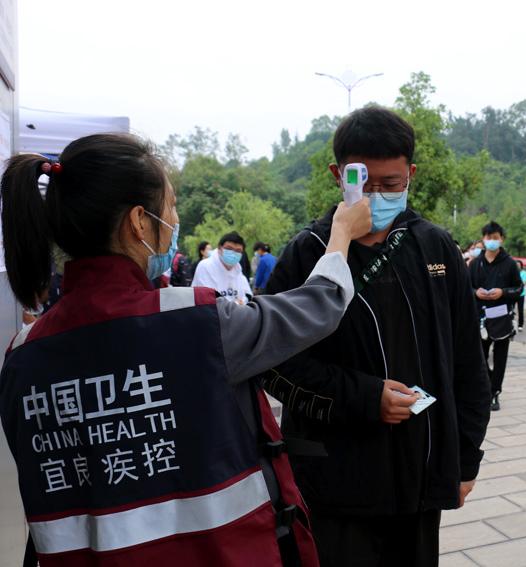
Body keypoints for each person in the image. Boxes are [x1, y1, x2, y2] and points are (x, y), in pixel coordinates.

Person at [0, 133, 372, 566]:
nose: (174, 222)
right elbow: (318, 306)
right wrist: (342, 231)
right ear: (139, 222)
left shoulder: (22, 355)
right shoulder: (197, 322)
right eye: (171, 207)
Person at [260, 107, 491, 567]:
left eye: (392, 183)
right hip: (335, 483)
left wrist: (465, 461)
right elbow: (272, 361)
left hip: (419, 478)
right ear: (338, 174)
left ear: (411, 174)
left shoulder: (435, 246)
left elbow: (467, 359)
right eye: (364, 183)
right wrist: (364, 398)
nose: (378, 196)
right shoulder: (309, 251)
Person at [469, 221, 524, 412]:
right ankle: (487, 387)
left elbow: (519, 288)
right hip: (480, 318)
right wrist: (476, 293)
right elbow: (465, 288)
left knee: (500, 359)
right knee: (480, 358)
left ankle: (495, 392)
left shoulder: (509, 264)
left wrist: (503, 292)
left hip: (502, 318)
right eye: (488, 237)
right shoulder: (475, 264)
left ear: (502, 239)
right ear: (483, 240)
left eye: (495, 238)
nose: (491, 241)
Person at [191, 232, 253, 304]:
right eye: (229, 248)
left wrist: (242, 301)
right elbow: (209, 300)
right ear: (220, 248)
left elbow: (248, 294)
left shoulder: (238, 270)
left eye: (238, 250)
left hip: (235, 314)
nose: (233, 253)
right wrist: (237, 304)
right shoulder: (205, 266)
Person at [516, 260, 526, 331]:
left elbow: (524, 282)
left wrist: (517, 282)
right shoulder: (513, 272)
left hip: (521, 294)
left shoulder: (524, 273)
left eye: (519, 265)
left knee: (520, 310)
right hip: (512, 294)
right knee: (510, 309)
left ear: (521, 265)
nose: (517, 266)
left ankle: (520, 325)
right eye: (516, 265)